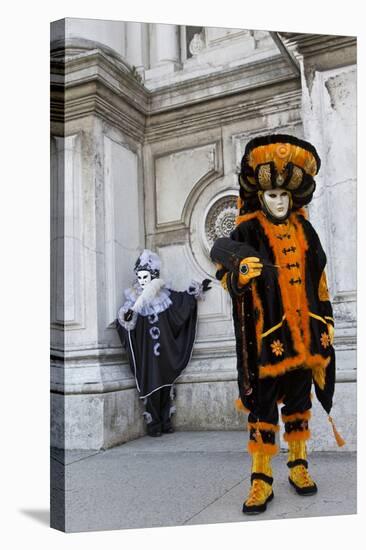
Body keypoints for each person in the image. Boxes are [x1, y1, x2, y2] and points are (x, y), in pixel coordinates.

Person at [210, 134, 344, 515]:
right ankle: (261, 478)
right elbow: (225, 272)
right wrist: (240, 276)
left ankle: (299, 466)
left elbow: (320, 280)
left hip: (304, 339)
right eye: (272, 196)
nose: (280, 201)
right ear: (261, 196)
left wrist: (328, 319)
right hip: (266, 340)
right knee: (263, 408)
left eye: (285, 196)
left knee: (300, 404)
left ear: (293, 196)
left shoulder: (307, 231)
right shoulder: (247, 232)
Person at [116, 249, 211, 437]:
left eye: (146, 277)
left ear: (153, 276)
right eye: (140, 277)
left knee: (166, 384)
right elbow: (125, 323)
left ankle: (166, 421)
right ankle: (154, 423)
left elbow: (180, 304)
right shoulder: (133, 300)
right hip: (146, 352)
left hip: (164, 350)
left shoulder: (164, 296)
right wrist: (127, 317)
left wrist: (193, 293)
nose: (142, 281)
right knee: (151, 384)